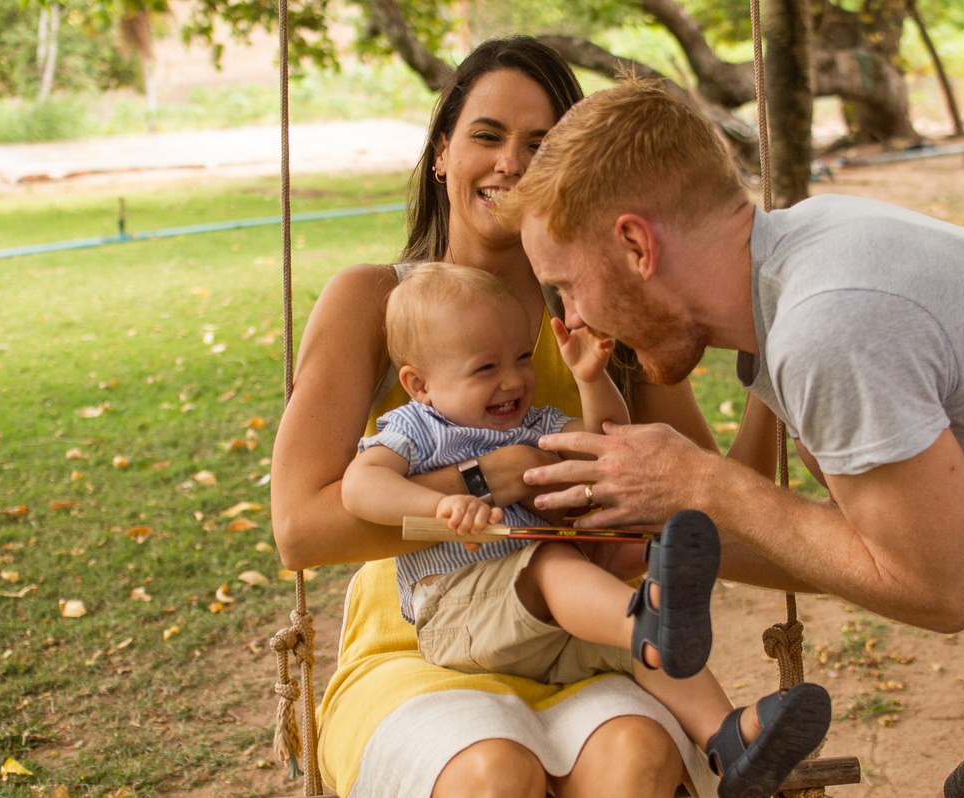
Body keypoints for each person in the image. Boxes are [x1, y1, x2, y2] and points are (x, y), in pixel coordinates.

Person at [497, 77, 964, 798]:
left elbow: (942, 591)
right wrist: (655, 535)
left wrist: (703, 483)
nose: (571, 319)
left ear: (636, 245)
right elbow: (867, 551)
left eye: (566, 286)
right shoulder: (808, 254)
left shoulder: (827, 327)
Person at [271, 40, 782, 798]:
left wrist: (770, 375)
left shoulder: (605, 319)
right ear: (442, 153)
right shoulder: (372, 304)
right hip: (423, 640)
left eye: (540, 144)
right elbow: (300, 528)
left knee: (637, 755)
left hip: (578, 640)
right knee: (490, 772)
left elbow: (714, 504)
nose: (511, 162)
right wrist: (487, 479)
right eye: (487, 135)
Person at [340, 262, 832, 798]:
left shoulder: (533, 422)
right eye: (486, 368)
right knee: (561, 570)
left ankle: (729, 736)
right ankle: (649, 622)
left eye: (522, 358)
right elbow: (360, 487)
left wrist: (589, 379)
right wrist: (441, 506)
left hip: (546, 623)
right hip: (456, 610)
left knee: (641, 650)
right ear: (420, 384)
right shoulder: (419, 427)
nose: (513, 380)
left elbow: (604, 443)